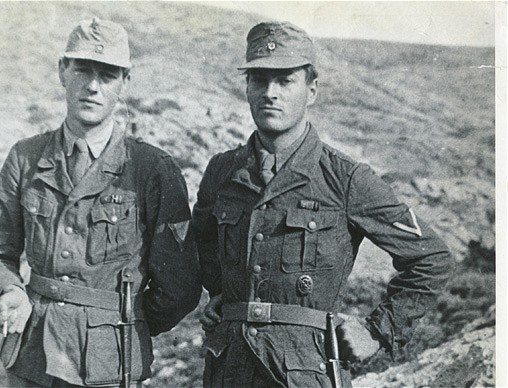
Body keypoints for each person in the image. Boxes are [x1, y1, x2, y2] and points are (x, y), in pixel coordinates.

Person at [192, 21, 454, 388]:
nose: (271, 93)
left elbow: (432, 258)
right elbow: (203, 241)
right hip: (229, 369)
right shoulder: (222, 171)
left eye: (285, 81)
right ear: (247, 88)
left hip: (305, 372)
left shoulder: (346, 178)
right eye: (259, 80)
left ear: (311, 90)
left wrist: (377, 332)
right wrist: (224, 294)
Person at [0, 17, 201, 388]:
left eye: (108, 75)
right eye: (82, 69)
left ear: (124, 83)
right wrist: (12, 290)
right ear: (63, 71)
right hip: (33, 357)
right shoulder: (25, 157)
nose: (93, 86)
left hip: (110, 364)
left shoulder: (151, 169)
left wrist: (125, 323)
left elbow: (179, 288)